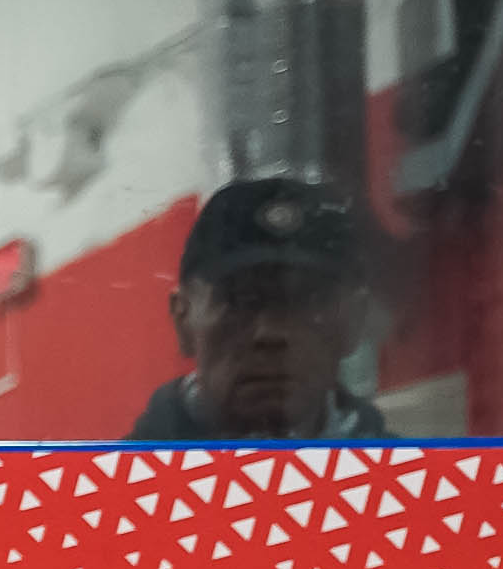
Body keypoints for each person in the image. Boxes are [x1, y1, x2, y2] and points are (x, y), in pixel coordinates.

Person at [127, 176, 393, 441]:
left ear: (353, 322)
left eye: (307, 301)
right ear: (182, 320)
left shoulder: (411, 474)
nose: (271, 333)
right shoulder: (120, 480)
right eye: (239, 300)